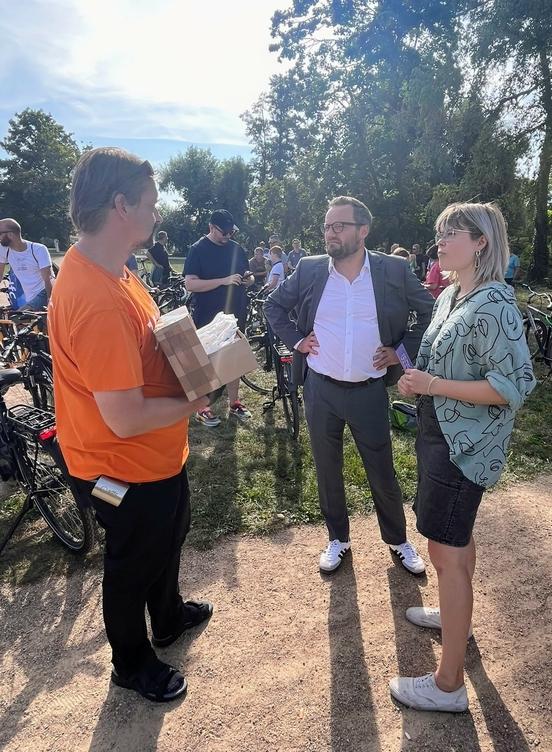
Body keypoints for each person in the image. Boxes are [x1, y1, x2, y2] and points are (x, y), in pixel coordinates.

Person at [48, 147, 213, 704]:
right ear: (121, 205)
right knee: (132, 563)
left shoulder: (116, 271)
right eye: (151, 203)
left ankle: (166, 617)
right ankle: (131, 661)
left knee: (170, 536)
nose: (157, 214)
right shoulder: (94, 299)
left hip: (157, 458)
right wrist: (196, 401)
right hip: (119, 465)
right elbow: (123, 418)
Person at [390, 202, 535, 713]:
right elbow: (441, 362)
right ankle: (458, 621)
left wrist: (430, 384)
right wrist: (416, 378)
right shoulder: (452, 293)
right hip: (441, 433)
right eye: (439, 232)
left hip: (464, 445)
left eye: (453, 232)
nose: (441, 241)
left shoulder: (495, 303)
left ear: (482, 243)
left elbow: (512, 385)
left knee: (445, 552)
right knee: (457, 541)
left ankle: (448, 684)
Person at [264, 196, 434, 575]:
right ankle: (337, 538)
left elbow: (429, 311)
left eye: (339, 225)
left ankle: (398, 540)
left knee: (382, 470)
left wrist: (400, 352)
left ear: (363, 230)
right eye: (327, 226)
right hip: (320, 389)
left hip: (368, 390)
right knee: (327, 469)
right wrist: (296, 340)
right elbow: (273, 306)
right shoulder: (309, 269)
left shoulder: (392, 269)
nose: (330, 233)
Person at [185, 209, 254, 427]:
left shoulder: (236, 248)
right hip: (208, 315)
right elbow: (190, 283)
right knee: (207, 362)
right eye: (223, 233)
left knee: (234, 357)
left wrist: (247, 281)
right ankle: (203, 407)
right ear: (211, 228)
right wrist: (223, 280)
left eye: (230, 232)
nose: (227, 237)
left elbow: (248, 275)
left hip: (235, 312)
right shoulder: (197, 250)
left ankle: (234, 402)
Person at [0, 218, 54, 309]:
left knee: (18, 318)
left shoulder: (38, 249)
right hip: (29, 296)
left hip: (44, 292)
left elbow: (48, 279)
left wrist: (50, 300)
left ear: (10, 235)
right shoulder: (4, 249)